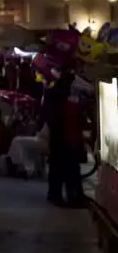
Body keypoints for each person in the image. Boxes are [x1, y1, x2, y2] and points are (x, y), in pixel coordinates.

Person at [45, 71, 88, 209]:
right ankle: (72, 197)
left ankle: (62, 196)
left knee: (61, 169)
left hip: (62, 139)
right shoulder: (64, 97)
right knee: (70, 169)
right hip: (66, 139)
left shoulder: (56, 94)